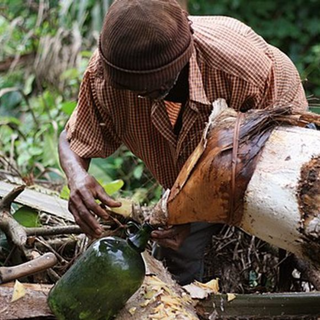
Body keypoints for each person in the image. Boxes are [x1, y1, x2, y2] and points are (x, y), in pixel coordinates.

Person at [58, 0, 308, 285]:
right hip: (191, 165)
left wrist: (198, 206)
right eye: (131, 90)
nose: (142, 98)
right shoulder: (107, 75)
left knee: (288, 235)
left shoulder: (241, 71)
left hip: (268, 144)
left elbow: (270, 165)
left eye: (154, 89)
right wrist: (77, 177)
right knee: (176, 255)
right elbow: (71, 139)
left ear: (181, 62)